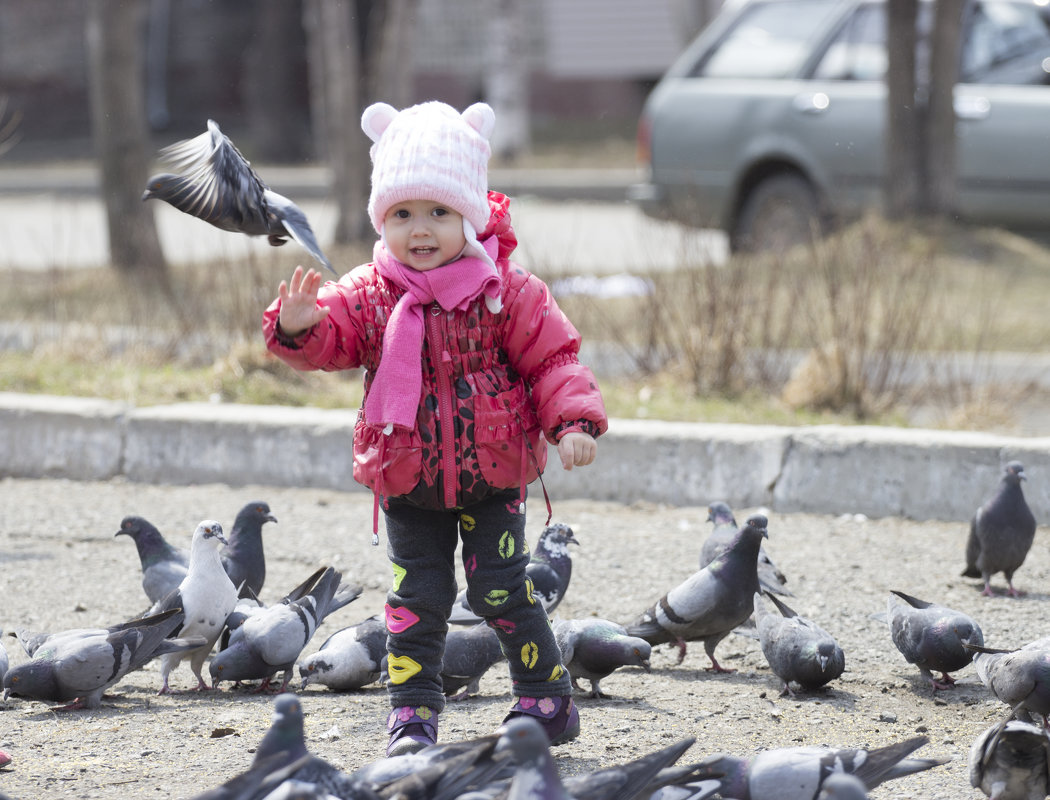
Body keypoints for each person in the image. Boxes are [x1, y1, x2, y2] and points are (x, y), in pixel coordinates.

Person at [262, 100, 608, 757]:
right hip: (408, 479)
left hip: (492, 474)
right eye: (402, 214)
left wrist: (573, 421)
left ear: (470, 215)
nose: (420, 230)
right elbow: (333, 338)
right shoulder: (369, 293)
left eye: (439, 213)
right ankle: (412, 718)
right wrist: (300, 324)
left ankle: (546, 698)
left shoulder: (505, 289)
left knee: (499, 588)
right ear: (382, 219)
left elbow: (554, 359)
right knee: (415, 601)